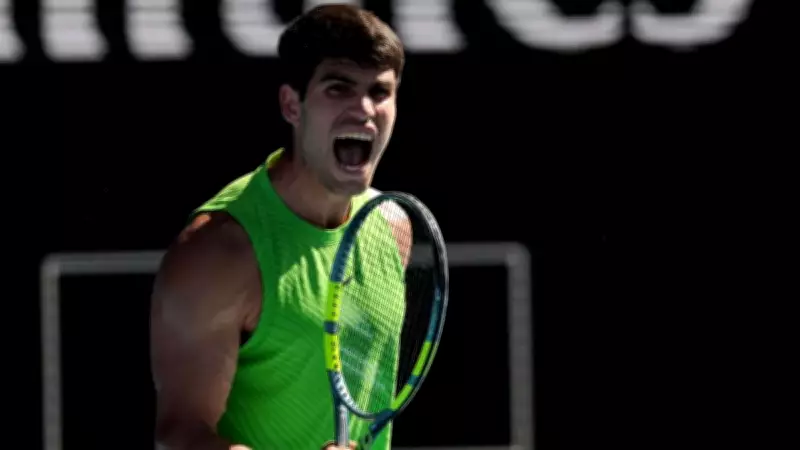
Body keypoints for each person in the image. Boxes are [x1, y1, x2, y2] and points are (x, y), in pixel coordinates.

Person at [149, 4, 408, 450]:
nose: (364, 110)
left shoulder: (392, 227)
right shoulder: (218, 252)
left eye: (380, 92)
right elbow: (180, 438)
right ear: (292, 104)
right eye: (338, 88)